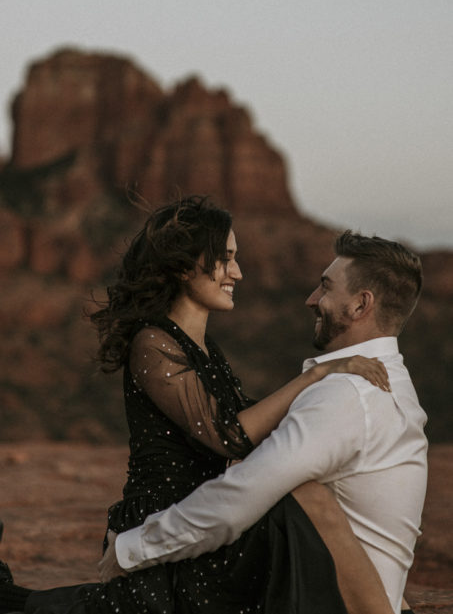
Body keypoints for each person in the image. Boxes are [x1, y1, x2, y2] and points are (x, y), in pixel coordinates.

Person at [0, 196, 397, 614]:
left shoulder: (206, 349)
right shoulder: (153, 343)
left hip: (204, 522)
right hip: (164, 527)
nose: (238, 272)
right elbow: (229, 435)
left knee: (300, 502)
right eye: (225, 259)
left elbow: (255, 426)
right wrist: (316, 375)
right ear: (185, 266)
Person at [97, 228, 428, 614]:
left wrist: (131, 549)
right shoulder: (392, 379)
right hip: (349, 589)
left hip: (332, 602)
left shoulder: (348, 395)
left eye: (325, 287)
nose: (311, 299)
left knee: (294, 492)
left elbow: (242, 494)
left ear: (359, 305)